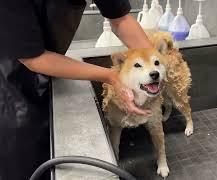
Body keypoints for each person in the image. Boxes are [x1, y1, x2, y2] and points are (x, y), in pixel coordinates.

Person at [0, 0, 153, 179]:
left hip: (48, 69)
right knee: (25, 162)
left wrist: (153, 62)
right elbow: (34, 59)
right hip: (10, 85)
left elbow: (121, 18)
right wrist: (111, 76)